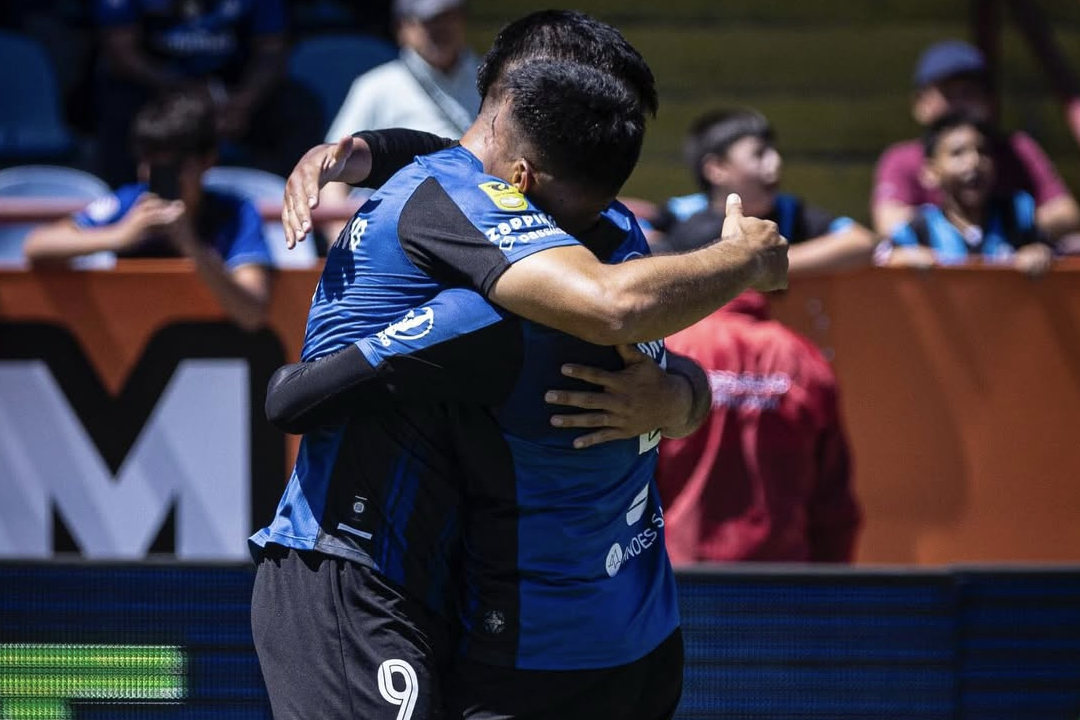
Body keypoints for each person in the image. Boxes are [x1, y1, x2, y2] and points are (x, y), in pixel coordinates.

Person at [250, 11, 785, 720]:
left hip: (587, 619)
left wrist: (679, 398)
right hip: (357, 569)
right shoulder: (481, 258)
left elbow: (664, 360)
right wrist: (744, 258)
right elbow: (293, 399)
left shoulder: (607, 225)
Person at [23, 89, 273, 331]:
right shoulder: (127, 203)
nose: (161, 178)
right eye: (151, 165)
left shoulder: (237, 214)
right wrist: (120, 236)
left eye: (174, 167)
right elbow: (37, 246)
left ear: (208, 160)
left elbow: (251, 314)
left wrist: (192, 247)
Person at [656, 288, 862, 564]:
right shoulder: (801, 356)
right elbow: (833, 507)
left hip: (678, 582)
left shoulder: (670, 350)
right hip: (781, 587)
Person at [92, 0, 324, 187]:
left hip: (235, 92)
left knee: (297, 106)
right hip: (159, 90)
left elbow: (272, 51)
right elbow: (120, 52)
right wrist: (183, 91)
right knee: (117, 104)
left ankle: (297, 210)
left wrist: (245, 100)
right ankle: (125, 209)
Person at [871, 39, 1080, 243]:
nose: (960, 104)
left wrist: (999, 236)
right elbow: (890, 224)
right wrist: (961, 231)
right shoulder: (901, 159)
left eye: (969, 93)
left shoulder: (1016, 149)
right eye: (949, 94)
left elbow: (1066, 213)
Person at [318, 0, 481, 242]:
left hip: (482, 223)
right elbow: (333, 166)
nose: (440, 29)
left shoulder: (494, 79)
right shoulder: (375, 86)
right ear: (402, 27)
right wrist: (340, 242)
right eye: (428, 20)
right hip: (392, 236)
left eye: (447, 17)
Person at [653, 108, 877, 277]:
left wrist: (767, 262)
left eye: (774, 151)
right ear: (716, 169)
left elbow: (862, 241)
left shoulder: (791, 212)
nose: (776, 162)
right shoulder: (682, 218)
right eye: (759, 154)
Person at [877, 110, 1055, 277]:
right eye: (957, 153)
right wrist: (902, 259)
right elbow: (882, 258)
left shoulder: (1016, 215)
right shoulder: (920, 229)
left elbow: (1054, 249)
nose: (974, 162)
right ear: (931, 172)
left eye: (983, 151)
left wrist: (1041, 252)